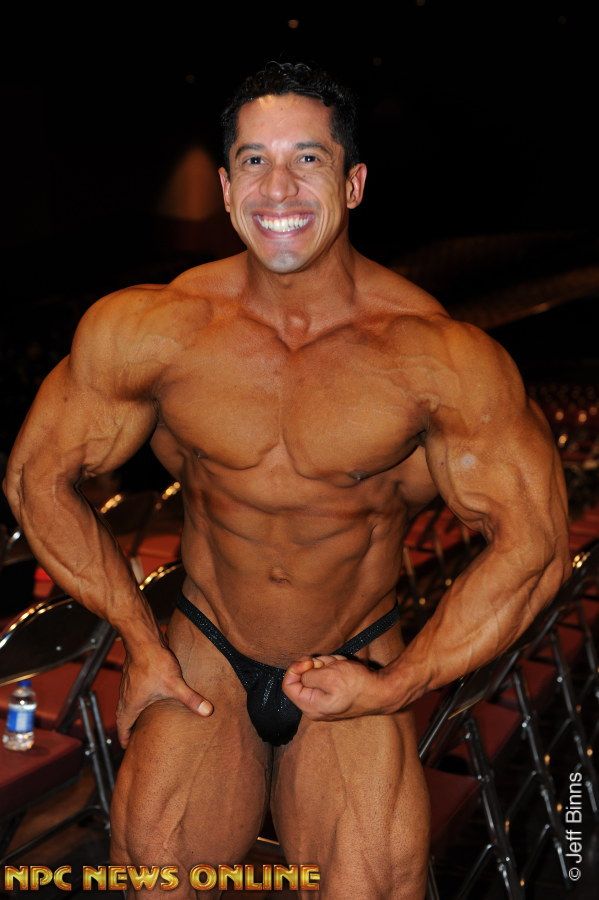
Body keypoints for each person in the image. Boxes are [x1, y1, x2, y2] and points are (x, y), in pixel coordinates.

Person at [3, 60, 570, 899]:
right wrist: (139, 640)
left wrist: (399, 683)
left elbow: (535, 545)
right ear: (226, 188)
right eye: (254, 160)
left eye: (308, 158)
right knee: (156, 875)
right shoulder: (151, 330)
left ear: (353, 183)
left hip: (353, 650)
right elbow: (36, 479)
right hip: (204, 650)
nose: (278, 187)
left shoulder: (437, 359)